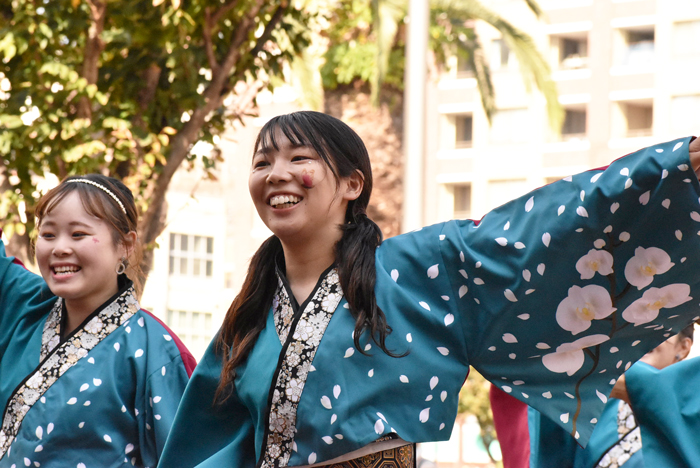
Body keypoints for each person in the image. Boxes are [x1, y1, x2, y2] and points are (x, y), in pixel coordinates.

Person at [159, 111, 700, 467]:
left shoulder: (417, 269)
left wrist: (673, 170)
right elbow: (208, 440)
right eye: (262, 162)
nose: (276, 173)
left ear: (353, 184)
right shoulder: (252, 311)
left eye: (299, 158)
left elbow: (536, 232)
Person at [0, 175, 196, 467]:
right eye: (48, 234)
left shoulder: (156, 351)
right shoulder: (26, 304)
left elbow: (188, 455)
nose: (59, 248)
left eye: (78, 234)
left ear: (126, 245)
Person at [493, 322, 696, 468]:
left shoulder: (691, 408)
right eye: (643, 324)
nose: (647, 334)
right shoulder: (593, 401)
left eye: (663, 326)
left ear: (684, 347)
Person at [610, 325, 700, 467]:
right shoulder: (598, 402)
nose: (644, 336)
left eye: (660, 328)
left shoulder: (691, 402)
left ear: (683, 347)